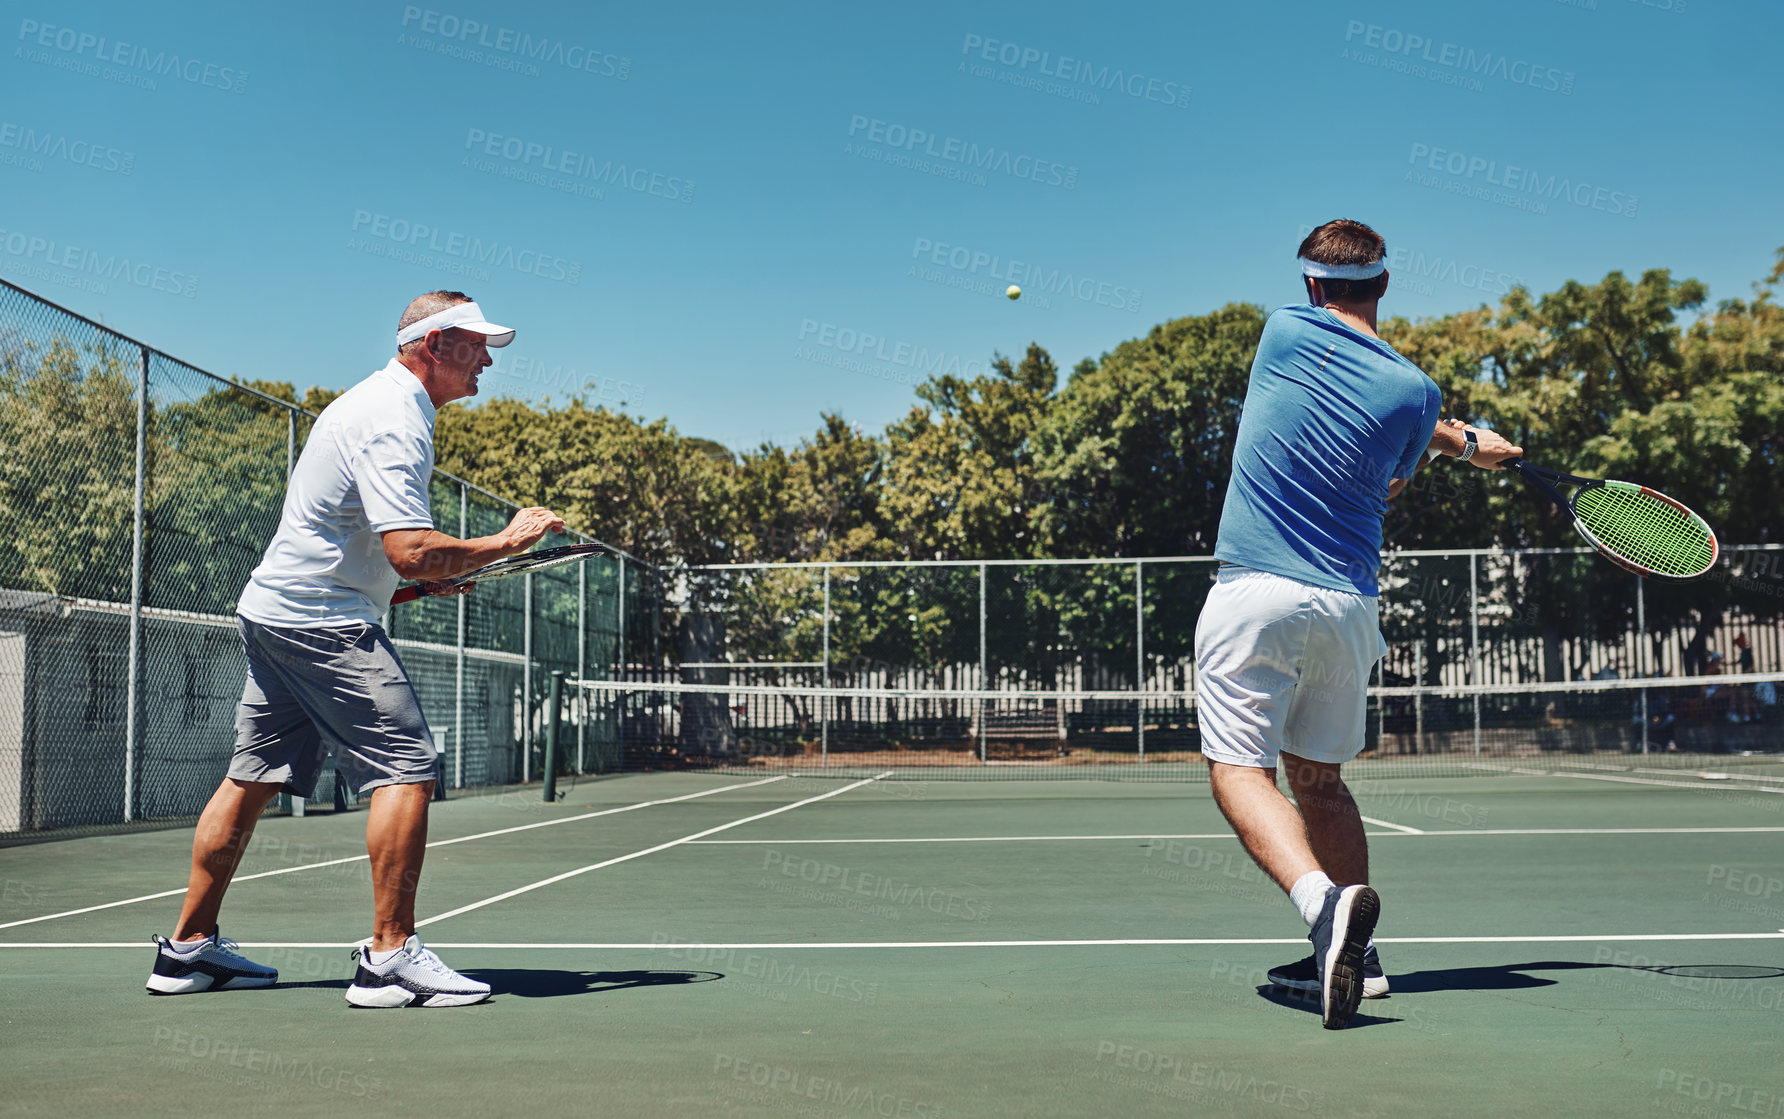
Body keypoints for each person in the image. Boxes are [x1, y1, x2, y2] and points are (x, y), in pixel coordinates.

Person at [147, 291, 565, 1008]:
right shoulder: (395, 420)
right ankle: (390, 956)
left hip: (277, 613)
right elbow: (410, 550)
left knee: (250, 776)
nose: (488, 358)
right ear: (432, 344)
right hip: (321, 623)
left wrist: (413, 591)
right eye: (475, 343)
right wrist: (504, 540)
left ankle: (186, 950)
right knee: (407, 766)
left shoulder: (367, 405)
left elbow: (353, 548)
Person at [1195, 220, 1520, 1028]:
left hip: (1257, 595)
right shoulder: (1417, 394)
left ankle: (1322, 909)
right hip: (1346, 607)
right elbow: (1392, 481)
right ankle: (1359, 963)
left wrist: (1456, 441)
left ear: (1312, 286)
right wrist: (1464, 441)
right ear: (1384, 286)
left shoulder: (1283, 331)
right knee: (1323, 779)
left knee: (1239, 772)